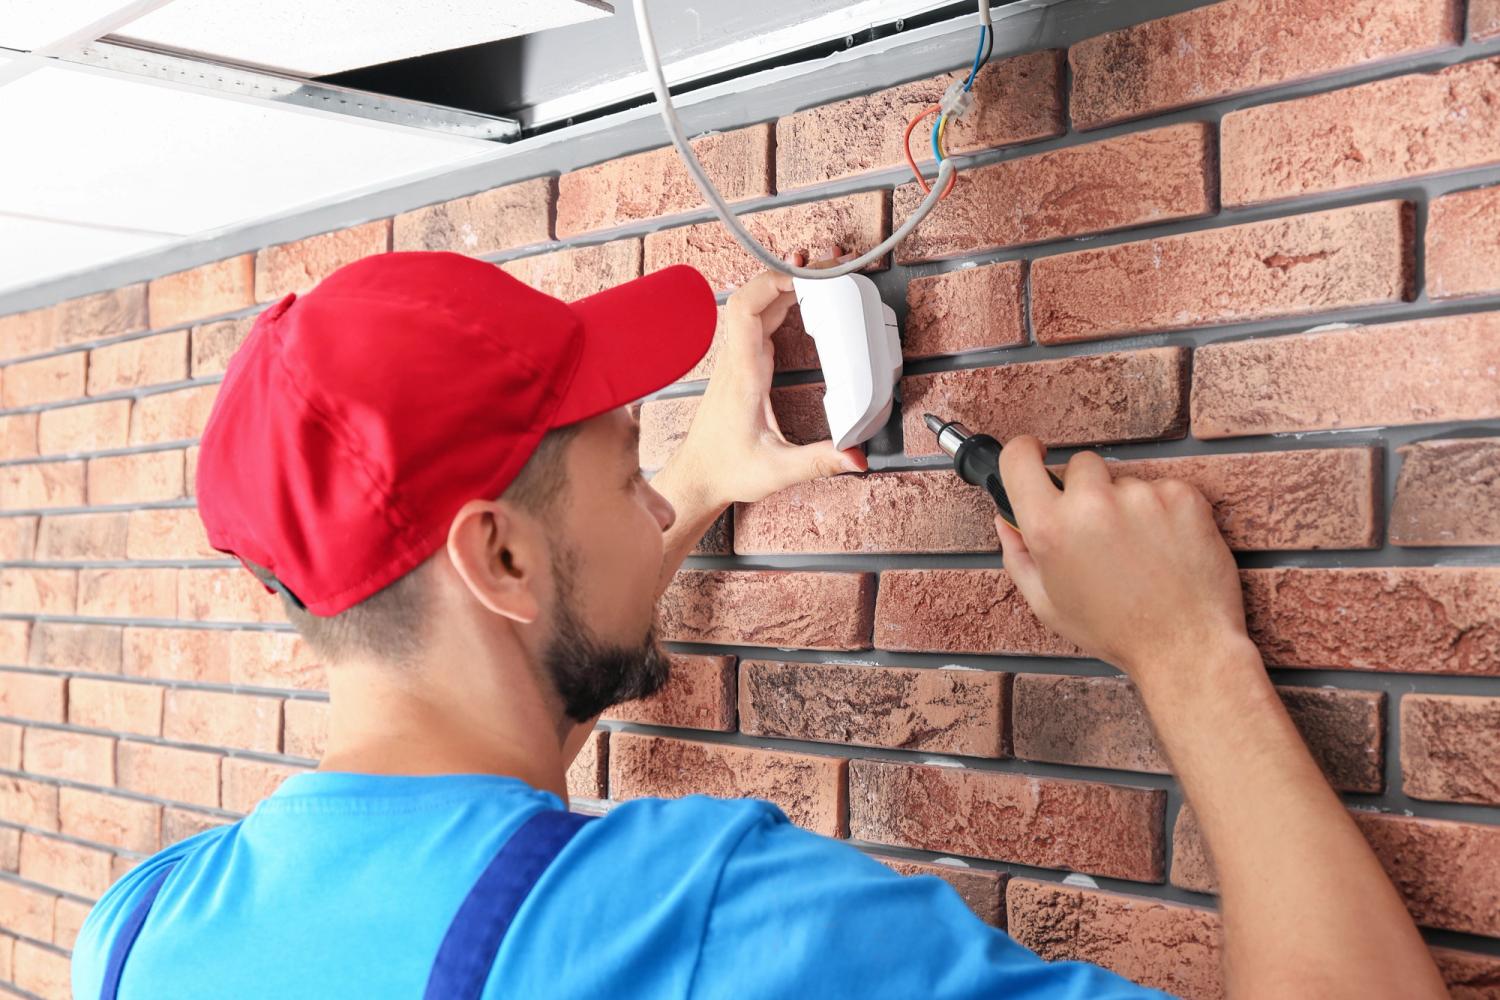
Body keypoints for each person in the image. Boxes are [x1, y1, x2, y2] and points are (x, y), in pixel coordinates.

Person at [71, 250, 1445, 999]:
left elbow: (494, 683)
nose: (655, 489)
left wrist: (700, 495)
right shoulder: (701, 925)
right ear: (498, 555)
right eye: (626, 470)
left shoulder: (141, 936)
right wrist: (1184, 648)